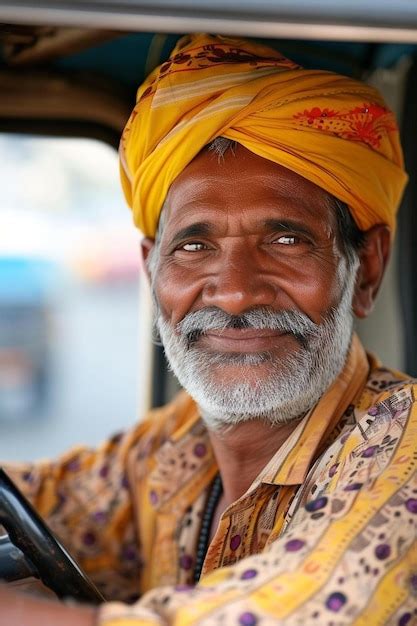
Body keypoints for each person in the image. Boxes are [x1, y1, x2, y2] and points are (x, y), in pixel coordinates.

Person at [0, 33, 416, 626]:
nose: (237, 291)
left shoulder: (403, 450)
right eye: (194, 246)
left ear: (366, 268)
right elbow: (36, 500)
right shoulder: (177, 445)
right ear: (151, 268)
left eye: (286, 240)